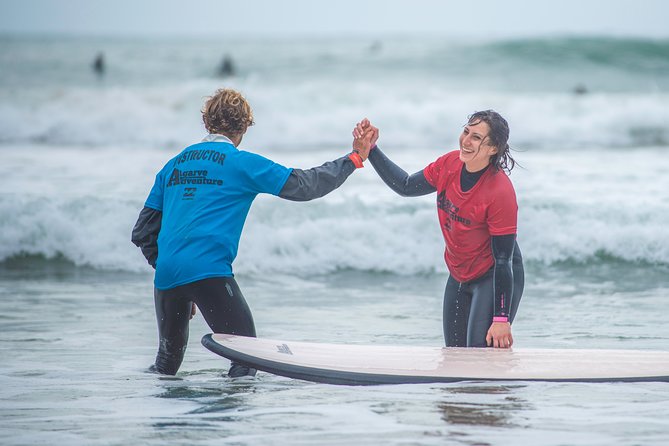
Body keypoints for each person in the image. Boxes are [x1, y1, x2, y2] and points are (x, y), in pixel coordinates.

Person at [132, 88, 374, 377]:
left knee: (166, 366)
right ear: (245, 125)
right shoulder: (241, 163)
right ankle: (228, 421)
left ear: (207, 123)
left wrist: (175, 273)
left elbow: (143, 231)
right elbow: (306, 185)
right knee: (247, 358)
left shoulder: (172, 166)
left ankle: (156, 416)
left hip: (167, 276)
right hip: (208, 273)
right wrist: (356, 158)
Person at [352, 111, 524, 349]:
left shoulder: (499, 191)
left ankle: (500, 385)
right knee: (454, 356)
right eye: (466, 132)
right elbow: (405, 186)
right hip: (460, 274)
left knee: (479, 356)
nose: (466, 140)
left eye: (476, 137)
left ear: (493, 148)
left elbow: (503, 260)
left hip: (493, 276)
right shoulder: (449, 165)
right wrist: (371, 149)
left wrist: (501, 319)